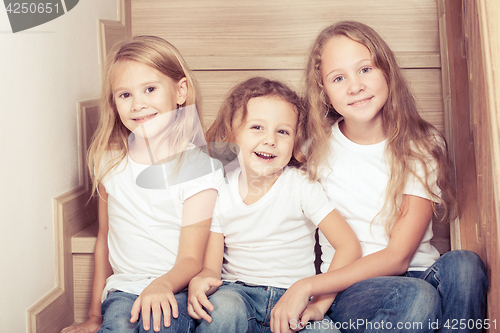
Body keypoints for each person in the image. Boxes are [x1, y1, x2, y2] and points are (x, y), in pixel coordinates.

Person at [270, 21, 488, 333]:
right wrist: (314, 291)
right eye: (338, 77)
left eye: (365, 70)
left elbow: (399, 257)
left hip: (419, 273)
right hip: (352, 287)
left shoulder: (420, 143)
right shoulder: (312, 148)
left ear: (387, 71)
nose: (355, 86)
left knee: (465, 264)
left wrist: (305, 286)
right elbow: (254, 154)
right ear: (324, 92)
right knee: (415, 297)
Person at [61, 36, 222, 333]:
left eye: (149, 89)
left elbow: (191, 258)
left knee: (159, 326)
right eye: (124, 95)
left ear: (180, 91)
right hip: (124, 288)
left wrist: (161, 286)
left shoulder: (199, 168)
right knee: (119, 325)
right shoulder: (108, 162)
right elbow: (104, 239)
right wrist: (94, 316)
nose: (138, 104)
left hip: (177, 289)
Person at [187, 77, 362, 333]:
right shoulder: (219, 190)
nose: (270, 140)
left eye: (283, 132)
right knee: (221, 309)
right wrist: (201, 281)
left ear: (295, 142)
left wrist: (319, 304)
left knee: (325, 331)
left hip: (293, 299)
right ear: (230, 134)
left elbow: (349, 246)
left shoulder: (301, 186)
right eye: (257, 127)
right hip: (237, 294)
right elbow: (211, 269)